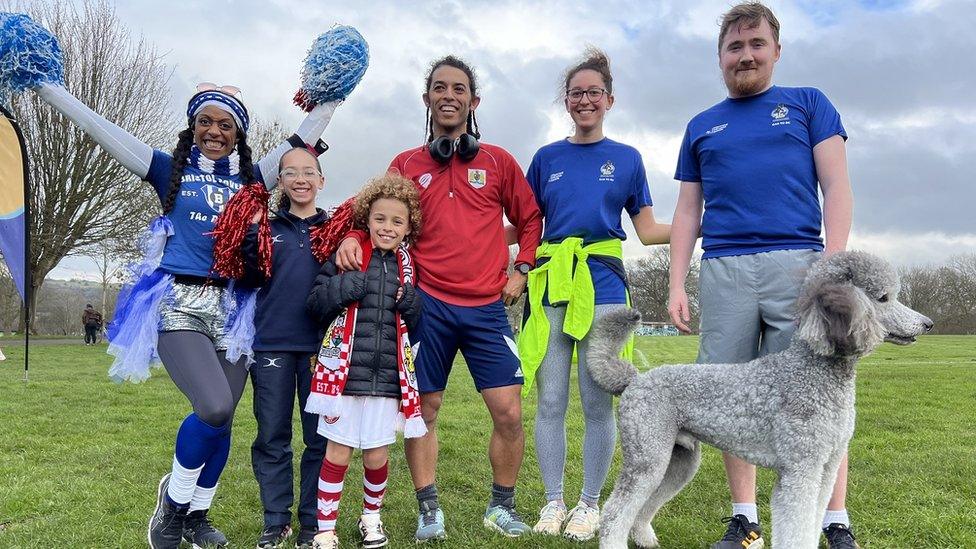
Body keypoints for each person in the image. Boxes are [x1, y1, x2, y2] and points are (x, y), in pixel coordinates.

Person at [32, 79, 337, 549]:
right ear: (192, 127)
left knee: (224, 417)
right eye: (205, 122)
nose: (214, 131)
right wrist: (46, 85)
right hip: (179, 304)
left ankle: (197, 516)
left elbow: (306, 133)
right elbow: (99, 127)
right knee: (212, 406)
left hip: (233, 312)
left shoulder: (252, 177)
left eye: (225, 124)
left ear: (239, 133)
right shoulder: (163, 168)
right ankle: (172, 507)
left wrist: (336, 89)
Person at [667, 3, 856, 549]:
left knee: (816, 397)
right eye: (734, 47)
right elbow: (686, 212)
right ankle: (744, 518)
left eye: (755, 44)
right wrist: (677, 283)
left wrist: (832, 265)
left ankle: (833, 520)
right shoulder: (702, 124)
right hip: (724, 269)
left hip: (800, 265)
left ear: (775, 49)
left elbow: (836, 185)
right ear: (720, 56)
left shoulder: (808, 104)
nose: (745, 55)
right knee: (730, 395)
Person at [335, 56, 543, 540]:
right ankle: (429, 508)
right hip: (427, 306)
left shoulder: (498, 161)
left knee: (509, 412)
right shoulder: (406, 165)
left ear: (474, 101)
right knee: (423, 411)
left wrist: (523, 267)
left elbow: (531, 219)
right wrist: (351, 236)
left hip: (487, 307)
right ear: (427, 98)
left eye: (459, 88)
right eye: (439, 88)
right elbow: (374, 216)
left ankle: (502, 507)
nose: (449, 95)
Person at [521, 48, 670, 542]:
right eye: (576, 93)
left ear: (609, 99)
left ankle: (589, 505)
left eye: (594, 92)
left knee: (597, 403)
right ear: (566, 101)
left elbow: (647, 231)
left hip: (604, 287)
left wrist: (709, 222)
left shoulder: (627, 158)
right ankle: (553, 501)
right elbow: (524, 225)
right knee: (550, 401)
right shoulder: (546, 159)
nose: (585, 100)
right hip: (551, 285)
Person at [304, 173, 425, 549]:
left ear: (408, 227)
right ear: (366, 220)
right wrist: (343, 288)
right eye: (380, 219)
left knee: (376, 455)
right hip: (343, 377)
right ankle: (325, 529)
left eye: (397, 221)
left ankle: (371, 519)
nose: (387, 228)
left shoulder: (409, 265)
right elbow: (315, 304)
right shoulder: (348, 256)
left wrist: (413, 305)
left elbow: (412, 324)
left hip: (388, 379)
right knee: (337, 452)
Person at [242, 147, 330, 549]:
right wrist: (249, 234)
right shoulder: (266, 226)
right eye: (290, 172)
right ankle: (276, 521)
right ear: (280, 181)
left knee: (320, 440)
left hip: (322, 350)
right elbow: (247, 275)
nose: (300, 179)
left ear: (321, 180)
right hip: (271, 345)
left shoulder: (337, 230)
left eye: (308, 172)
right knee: (273, 436)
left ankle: (313, 523)